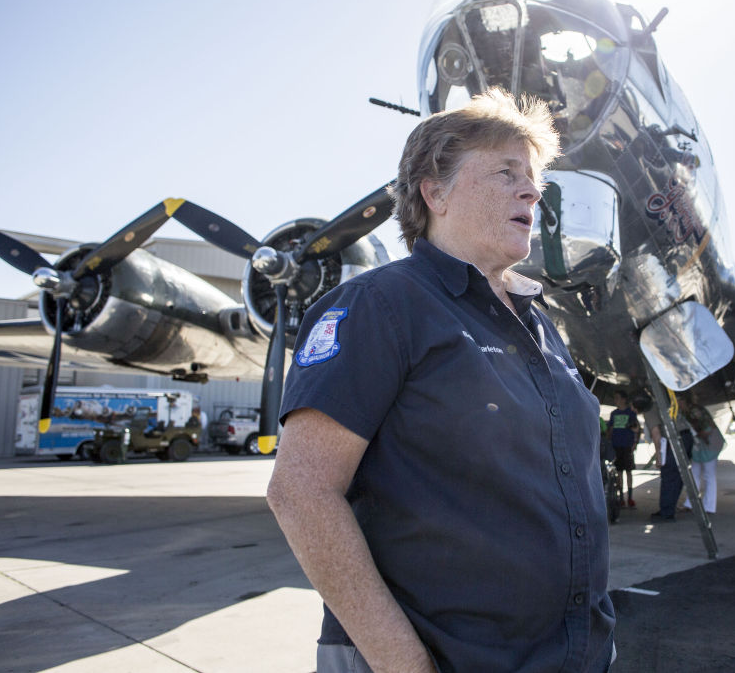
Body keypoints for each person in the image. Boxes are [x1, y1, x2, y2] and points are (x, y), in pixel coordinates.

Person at [267, 88, 615, 673]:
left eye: (533, 180)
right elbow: (300, 492)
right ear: (435, 192)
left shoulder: (541, 325)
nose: (531, 191)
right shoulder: (379, 305)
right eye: (506, 173)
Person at [681, 404, 723, 516]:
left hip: (709, 447)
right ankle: (690, 503)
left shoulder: (695, 411)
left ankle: (709, 506)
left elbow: (707, 429)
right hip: (699, 448)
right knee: (694, 475)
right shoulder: (685, 414)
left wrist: (697, 434)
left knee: (709, 476)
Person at [649, 419, 693, 521]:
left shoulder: (649, 410)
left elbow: (656, 434)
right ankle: (668, 510)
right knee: (676, 476)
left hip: (676, 438)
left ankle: (667, 512)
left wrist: (659, 456)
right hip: (685, 436)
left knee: (669, 475)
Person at [608, 390, 641, 507]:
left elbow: (637, 428)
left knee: (629, 471)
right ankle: (621, 497)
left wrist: (635, 442)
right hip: (616, 445)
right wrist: (608, 442)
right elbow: (610, 429)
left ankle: (630, 498)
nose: (615, 400)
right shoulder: (613, 413)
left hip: (627, 446)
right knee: (619, 472)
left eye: (617, 397)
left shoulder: (631, 413)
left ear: (623, 399)